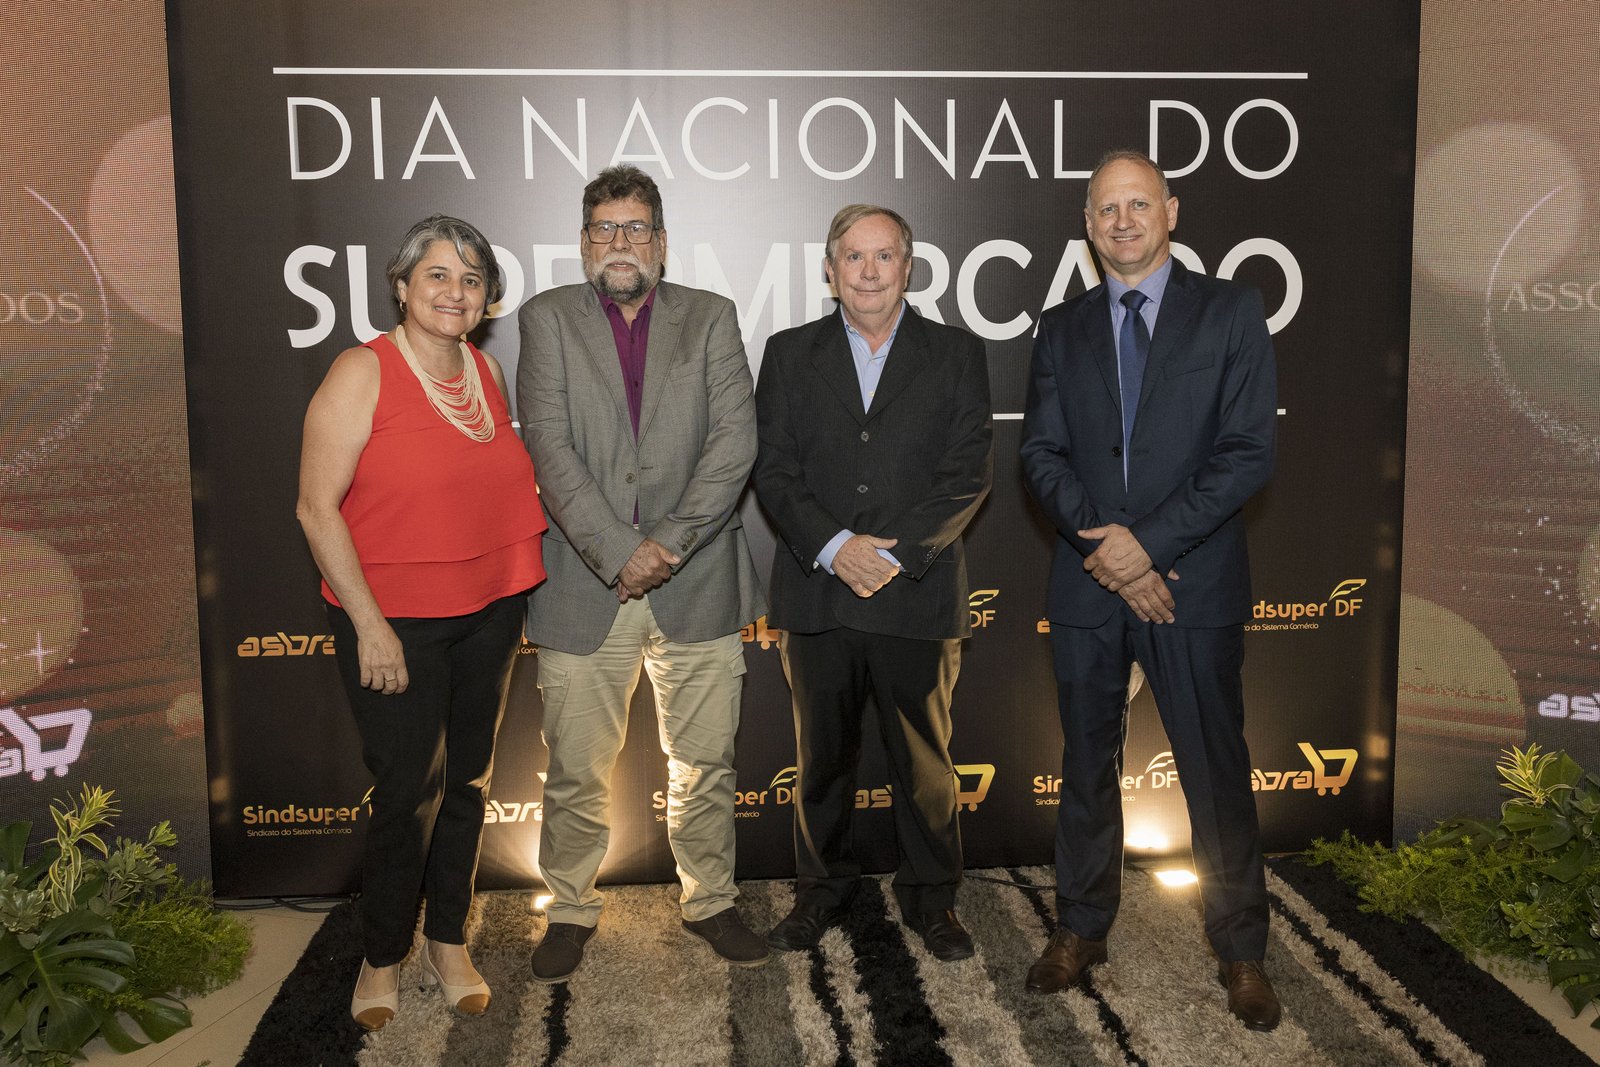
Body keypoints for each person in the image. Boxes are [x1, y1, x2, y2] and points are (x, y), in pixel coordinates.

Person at [1019, 150, 1280, 1029]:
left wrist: (1149, 548)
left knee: (1215, 769)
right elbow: (1040, 454)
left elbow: (1247, 451)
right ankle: (1080, 926)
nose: (1122, 221)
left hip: (1191, 582)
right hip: (1090, 582)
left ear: (1171, 210)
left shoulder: (1232, 310)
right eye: (1106, 209)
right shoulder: (1061, 327)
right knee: (1085, 766)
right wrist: (1110, 550)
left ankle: (1241, 948)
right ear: (1088, 225)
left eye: (1138, 204)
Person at [517, 164, 768, 982]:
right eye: (604, 229)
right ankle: (569, 907)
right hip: (583, 583)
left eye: (635, 228)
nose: (619, 243)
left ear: (661, 241)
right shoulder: (546, 318)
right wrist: (618, 550)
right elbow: (548, 446)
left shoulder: (711, 316)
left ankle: (710, 900)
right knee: (575, 768)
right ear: (584, 241)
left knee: (706, 762)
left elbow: (735, 441)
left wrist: (665, 545)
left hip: (696, 577)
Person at [297, 215, 546, 1030]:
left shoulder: (486, 371)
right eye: (437, 274)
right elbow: (316, 508)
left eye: (472, 279)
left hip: (491, 612)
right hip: (394, 622)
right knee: (408, 793)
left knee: (469, 781)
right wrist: (369, 625)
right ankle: (382, 953)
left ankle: (447, 939)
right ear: (402, 286)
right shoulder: (360, 371)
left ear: (486, 298)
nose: (455, 291)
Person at [753, 204, 993, 961]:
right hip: (818, 592)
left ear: (907, 268)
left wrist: (890, 556)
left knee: (924, 763)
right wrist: (835, 548)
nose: (868, 271)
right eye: (852, 257)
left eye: (883, 256)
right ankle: (819, 892)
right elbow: (774, 469)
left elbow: (968, 474)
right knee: (822, 761)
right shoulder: (788, 353)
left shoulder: (956, 353)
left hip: (916, 593)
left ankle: (932, 899)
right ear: (830, 270)